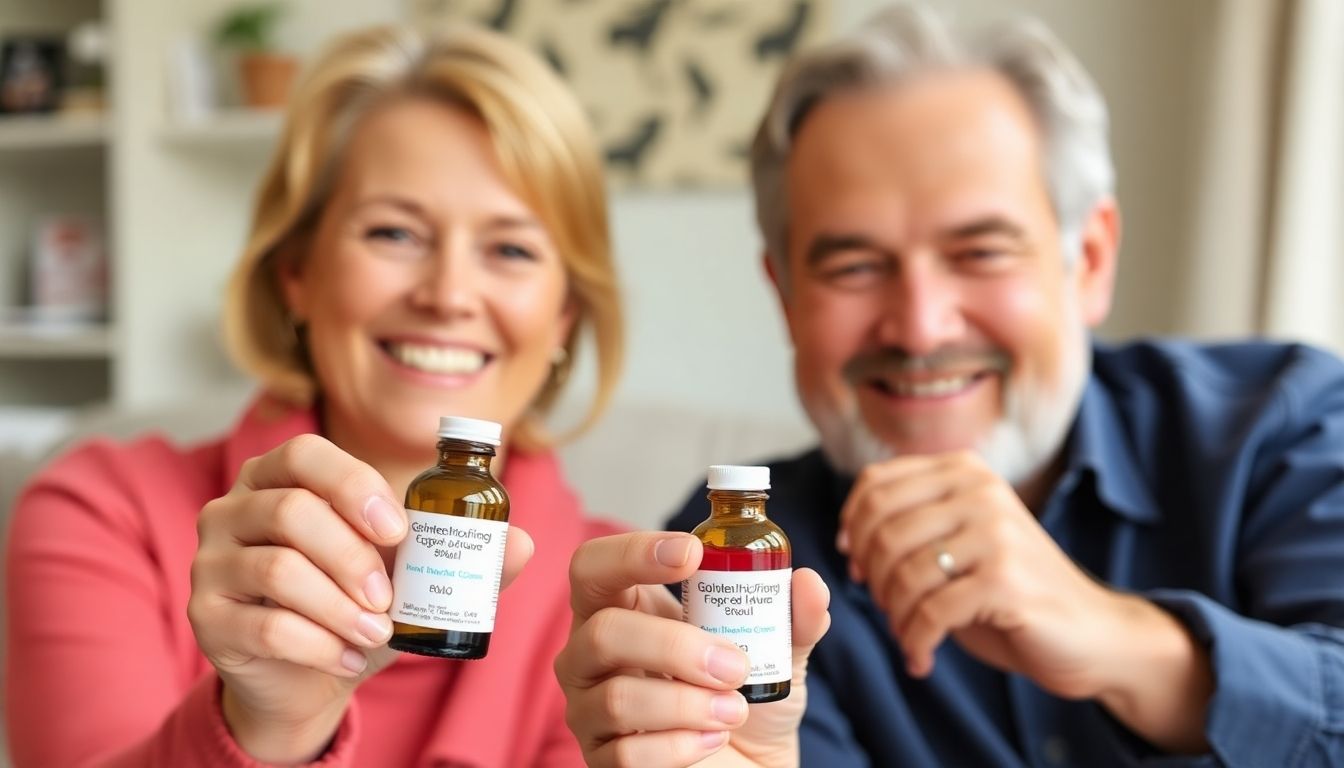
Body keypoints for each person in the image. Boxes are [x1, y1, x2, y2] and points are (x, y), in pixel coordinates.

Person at [559, 3, 1344, 766]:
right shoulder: (738, 562)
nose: (921, 329)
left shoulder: (1285, 424)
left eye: (981, 253)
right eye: (855, 266)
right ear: (786, 297)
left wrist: (1122, 641)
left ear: (1090, 261)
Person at [5, 22, 622, 768]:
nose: (449, 294)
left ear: (564, 315)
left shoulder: (619, 598)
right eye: (394, 233)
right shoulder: (106, 510)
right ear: (297, 273)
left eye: (512, 249)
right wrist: (264, 729)